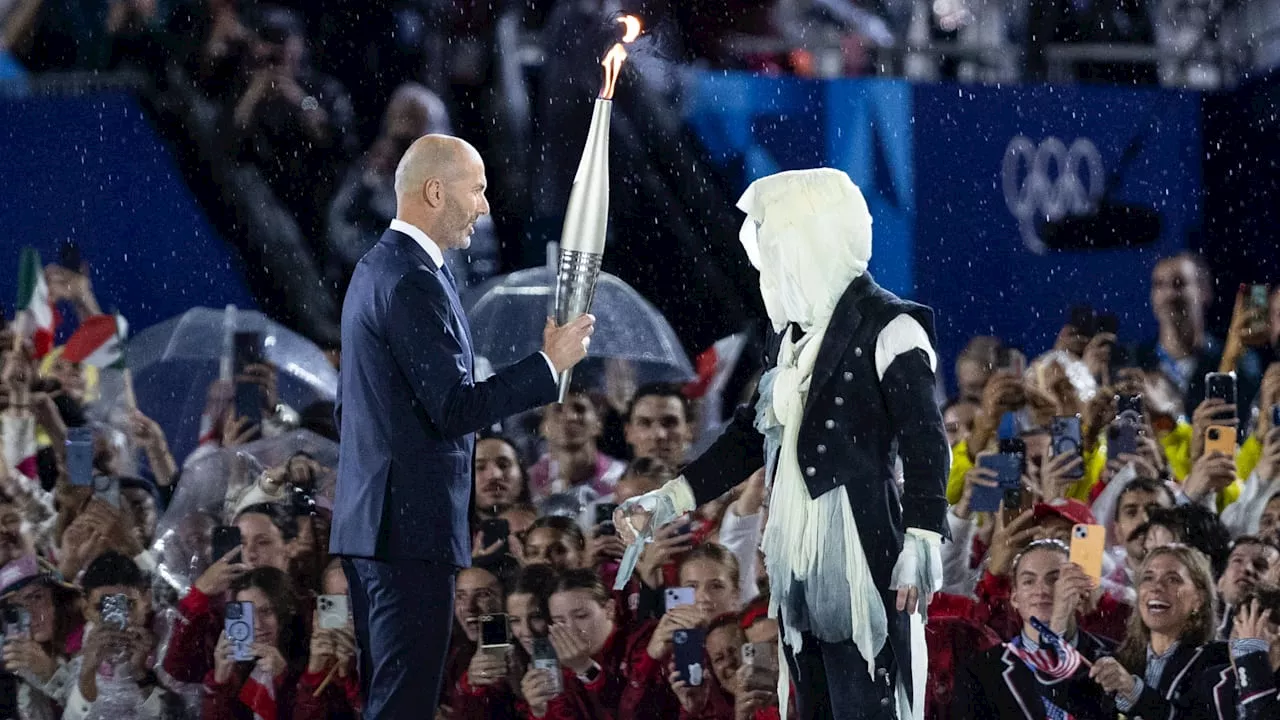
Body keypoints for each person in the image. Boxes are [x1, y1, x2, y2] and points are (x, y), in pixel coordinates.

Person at [619, 168, 949, 720]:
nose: (768, 268)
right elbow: (748, 437)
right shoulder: (789, 339)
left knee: (868, 698)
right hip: (794, 554)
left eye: (777, 249)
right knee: (814, 703)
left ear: (813, 241)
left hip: (862, 549)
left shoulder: (892, 327)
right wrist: (671, 498)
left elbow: (925, 438)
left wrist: (922, 536)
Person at [330, 133, 594, 719]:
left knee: (391, 702)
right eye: (475, 190)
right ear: (434, 190)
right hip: (407, 534)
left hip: (376, 528)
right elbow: (452, 409)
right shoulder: (412, 280)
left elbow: (351, 410)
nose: (484, 205)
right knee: (402, 707)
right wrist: (549, 363)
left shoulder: (379, 270)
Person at [952, 539, 1115, 719]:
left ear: (1078, 591)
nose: (1042, 590)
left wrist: (1058, 624)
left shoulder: (1116, 657)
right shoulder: (981, 672)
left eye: (1055, 580)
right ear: (1014, 597)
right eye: (1029, 581)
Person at [1086, 544, 1226, 718]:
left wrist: (1133, 690)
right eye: (1148, 578)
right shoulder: (1121, 660)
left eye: (1173, 579)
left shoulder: (1216, 662)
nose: (1156, 587)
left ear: (1199, 599)